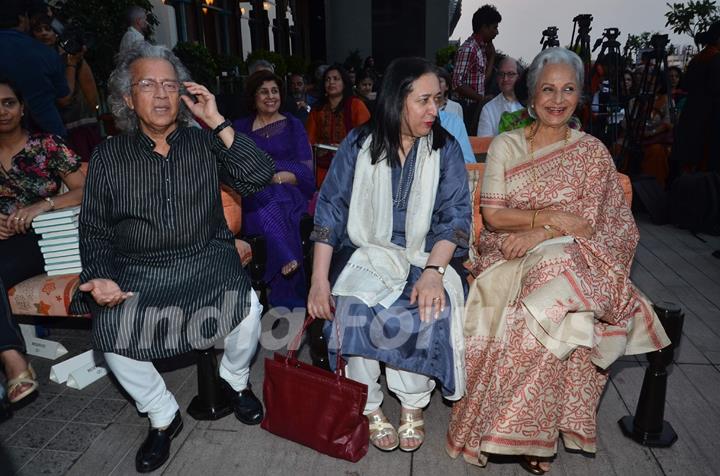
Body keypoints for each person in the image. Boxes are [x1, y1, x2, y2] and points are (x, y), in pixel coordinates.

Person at [446, 47, 670, 473]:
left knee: (558, 292)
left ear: (580, 95)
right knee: (562, 301)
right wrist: (547, 219)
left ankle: (531, 431)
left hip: (572, 256)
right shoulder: (508, 146)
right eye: (547, 89)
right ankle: (528, 431)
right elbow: (493, 216)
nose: (557, 99)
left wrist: (542, 234)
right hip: (506, 250)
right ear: (531, 97)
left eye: (568, 89)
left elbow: (598, 226)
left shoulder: (592, 153)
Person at [68, 43, 274, 473]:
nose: (161, 94)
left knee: (248, 308)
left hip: (206, 257)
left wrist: (216, 120)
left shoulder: (204, 143)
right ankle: (161, 413)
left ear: (183, 94)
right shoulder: (108, 156)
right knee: (110, 327)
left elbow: (257, 175)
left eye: (169, 84)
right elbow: (95, 229)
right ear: (127, 98)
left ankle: (234, 381)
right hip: (139, 269)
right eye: (147, 84)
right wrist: (100, 276)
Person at [308, 57, 471, 453]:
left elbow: (454, 217)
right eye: (425, 100)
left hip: (426, 256)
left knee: (425, 305)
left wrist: (434, 270)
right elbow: (329, 208)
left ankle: (412, 403)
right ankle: (370, 403)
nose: (436, 110)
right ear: (398, 100)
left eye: (439, 99)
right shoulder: (359, 143)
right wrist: (318, 281)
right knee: (352, 308)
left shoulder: (444, 149)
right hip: (367, 252)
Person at [0, 78, 85, 406]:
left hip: (45, 238)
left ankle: (12, 359)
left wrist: (43, 205)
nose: (3, 111)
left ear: (22, 109)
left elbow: (83, 189)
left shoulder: (48, 145)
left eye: (9, 102)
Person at [233, 71, 314, 309]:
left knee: (275, 197)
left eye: (275, 91)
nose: (271, 96)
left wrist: (276, 175)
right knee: (261, 197)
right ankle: (284, 253)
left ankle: (285, 258)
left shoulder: (293, 125)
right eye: (264, 91)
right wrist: (262, 176)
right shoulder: (240, 128)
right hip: (253, 193)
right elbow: (237, 166)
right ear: (253, 96)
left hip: (289, 191)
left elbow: (304, 170)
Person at [31, 14, 102, 162]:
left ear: (57, 34)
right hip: (57, 130)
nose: (44, 33)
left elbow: (92, 97)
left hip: (83, 126)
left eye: (48, 29)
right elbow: (64, 99)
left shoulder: (71, 56)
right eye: (38, 30)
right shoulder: (37, 63)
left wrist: (76, 59)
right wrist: (72, 64)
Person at [0, 0, 73, 137]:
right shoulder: (44, 52)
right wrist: (73, 63)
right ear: (23, 19)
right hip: (46, 135)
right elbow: (64, 98)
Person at [306, 64, 370, 185]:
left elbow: (367, 138)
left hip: (350, 167)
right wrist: (317, 150)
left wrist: (345, 149)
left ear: (344, 83)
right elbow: (309, 141)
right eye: (327, 79)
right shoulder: (317, 109)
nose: (331, 82)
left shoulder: (356, 105)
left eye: (336, 79)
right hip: (321, 168)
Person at [670, 21, 720, 176]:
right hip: (710, 121)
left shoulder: (698, 59)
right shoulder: (715, 59)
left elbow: (686, 85)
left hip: (693, 117)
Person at [451, 4, 501, 134]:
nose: (497, 32)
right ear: (484, 27)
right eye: (494, 27)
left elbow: (482, 80)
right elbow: (456, 83)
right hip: (465, 108)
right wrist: (481, 99)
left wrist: (491, 57)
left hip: (474, 106)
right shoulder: (469, 49)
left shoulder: (481, 49)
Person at [476, 57, 523, 137]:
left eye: (510, 74)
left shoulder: (532, 104)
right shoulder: (488, 109)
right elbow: (484, 145)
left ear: (519, 77)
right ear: (497, 78)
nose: (505, 79)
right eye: (501, 74)